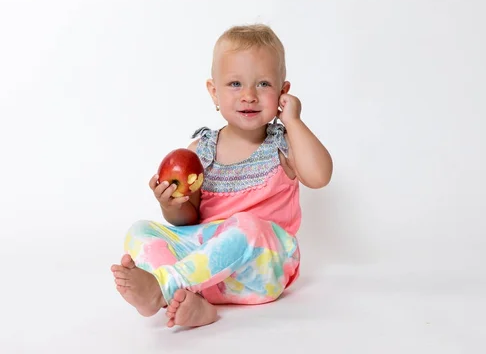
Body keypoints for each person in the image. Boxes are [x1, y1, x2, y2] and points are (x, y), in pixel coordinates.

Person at [110, 23, 333, 328]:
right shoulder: (200, 152)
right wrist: (172, 205)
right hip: (208, 273)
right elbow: (189, 221)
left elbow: (320, 176)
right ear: (214, 92)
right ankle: (194, 302)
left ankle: (163, 287)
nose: (250, 96)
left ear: (283, 93)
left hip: (262, 270)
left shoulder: (283, 144)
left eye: (264, 84)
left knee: (245, 225)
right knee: (141, 230)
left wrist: (293, 121)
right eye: (235, 84)